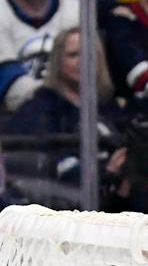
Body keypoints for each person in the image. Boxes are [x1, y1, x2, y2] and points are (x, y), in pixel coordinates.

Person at [4, 25, 113, 206]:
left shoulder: (109, 106)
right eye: (73, 55)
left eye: (90, 54)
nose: (82, 62)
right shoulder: (37, 109)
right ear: (57, 61)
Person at [0, 0, 78, 112]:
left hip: (72, 114)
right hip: (12, 123)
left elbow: (91, 74)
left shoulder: (77, 11)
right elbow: (6, 77)